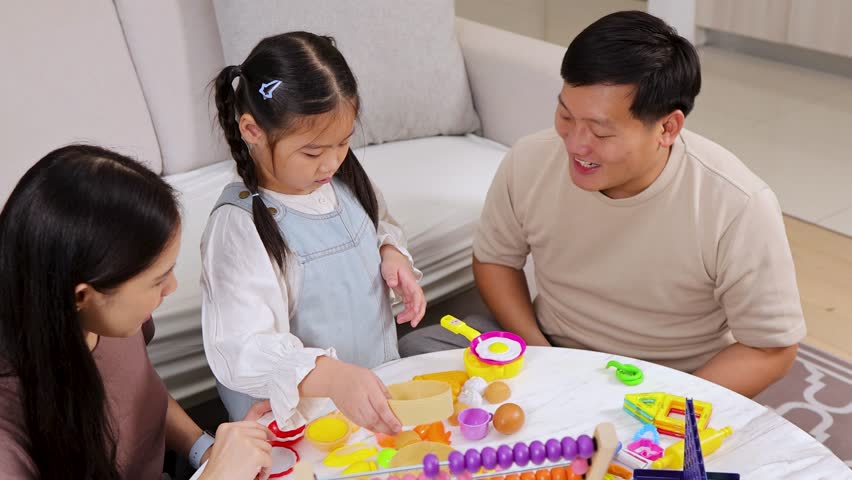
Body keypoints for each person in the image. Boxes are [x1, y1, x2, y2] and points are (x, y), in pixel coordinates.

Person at [399, 11, 805, 398]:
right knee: (416, 356)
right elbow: (495, 260)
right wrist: (542, 354)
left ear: (668, 128)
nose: (575, 145)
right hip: (551, 348)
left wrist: (663, 405)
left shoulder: (736, 205)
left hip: (670, 379)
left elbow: (770, 348)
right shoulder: (530, 159)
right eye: (565, 116)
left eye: (600, 132)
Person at [0, 145, 274, 479]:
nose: (171, 287)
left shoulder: (109, 320)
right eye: (158, 280)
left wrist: (205, 450)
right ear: (83, 295)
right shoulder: (9, 436)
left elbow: (141, 389)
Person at [204, 31, 425, 434]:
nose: (331, 163)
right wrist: (333, 376)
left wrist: (392, 254)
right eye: (312, 152)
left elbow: (380, 225)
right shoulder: (241, 226)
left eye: (342, 143)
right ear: (252, 131)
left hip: (371, 402)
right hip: (302, 426)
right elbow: (242, 348)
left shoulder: (340, 181)